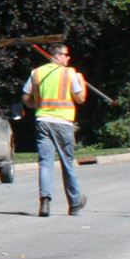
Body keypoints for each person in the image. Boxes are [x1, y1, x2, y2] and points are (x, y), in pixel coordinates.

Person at [23, 43, 88, 217]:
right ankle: (74, 202)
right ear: (57, 55)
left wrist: (38, 105)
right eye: (66, 55)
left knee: (45, 163)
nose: (68, 58)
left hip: (43, 121)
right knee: (67, 163)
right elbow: (80, 98)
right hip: (63, 123)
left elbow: (25, 98)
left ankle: (45, 200)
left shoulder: (36, 73)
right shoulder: (70, 73)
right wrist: (81, 80)